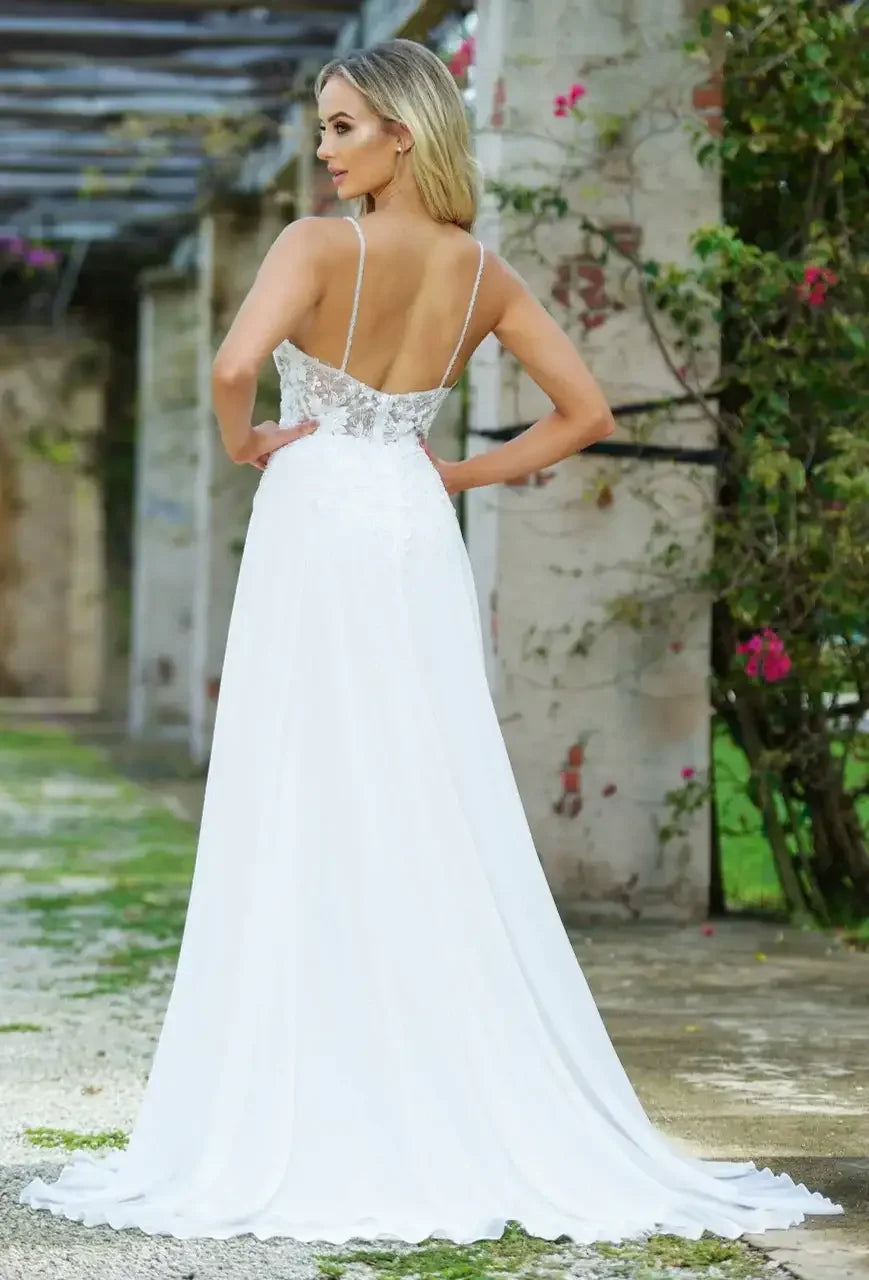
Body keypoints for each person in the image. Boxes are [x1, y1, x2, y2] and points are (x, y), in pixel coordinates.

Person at [19, 37, 841, 1246]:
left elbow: (239, 364)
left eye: (342, 126)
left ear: (404, 132)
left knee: (299, 777)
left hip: (314, 511)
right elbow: (588, 414)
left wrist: (248, 443)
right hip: (406, 513)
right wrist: (453, 468)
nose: (323, 148)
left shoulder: (313, 247)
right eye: (319, 127)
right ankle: (435, 1054)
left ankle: (309, 1067)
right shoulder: (480, 273)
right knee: (422, 782)